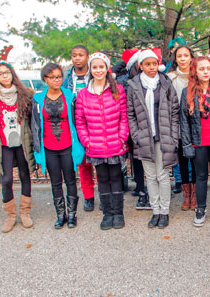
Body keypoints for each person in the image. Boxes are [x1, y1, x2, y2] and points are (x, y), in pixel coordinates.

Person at [75, 52, 129, 230]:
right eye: (95, 67)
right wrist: (87, 141)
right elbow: (80, 121)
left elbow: (123, 117)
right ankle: (107, 213)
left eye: (101, 66)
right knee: (103, 179)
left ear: (107, 68)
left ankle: (118, 212)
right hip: (95, 146)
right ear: (90, 69)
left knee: (116, 177)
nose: (98, 70)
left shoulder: (117, 90)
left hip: (115, 143)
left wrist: (122, 137)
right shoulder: (83, 94)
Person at [127, 49, 180, 229]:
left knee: (163, 175)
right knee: (150, 177)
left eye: (154, 64)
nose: (151, 67)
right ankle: (155, 210)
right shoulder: (134, 86)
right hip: (144, 138)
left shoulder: (166, 84)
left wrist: (173, 136)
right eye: (147, 64)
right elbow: (131, 113)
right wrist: (136, 134)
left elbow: (174, 112)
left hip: (163, 137)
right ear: (140, 66)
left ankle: (164, 211)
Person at [0, 62, 37, 233]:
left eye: (7, 72)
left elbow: (31, 119)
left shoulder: (25, 94)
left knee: (24, 175)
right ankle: (10, 215)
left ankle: (25, 212)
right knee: (6, 179)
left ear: (12, 74)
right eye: (0, 74)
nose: (4, 76)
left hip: (22, 141)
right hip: (3, 143)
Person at [32, 63, 85, 229]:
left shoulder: (69, 96)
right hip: (48, 146)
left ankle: (72, 215)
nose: (57, 80)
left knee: (70, 180)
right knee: (55, 182)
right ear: (45, 79)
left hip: (68, 145)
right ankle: (60, 214)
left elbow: (77, 120)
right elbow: (34, 124)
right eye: (52, 77)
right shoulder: (38, 99)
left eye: (59, 77)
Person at [180, 56, 210, 227]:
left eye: (208, 68)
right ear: (195, 72)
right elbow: (184, 121)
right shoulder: (188, 92)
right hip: (198, 141)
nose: (205, 72)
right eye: (201, 69)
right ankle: (200, 209)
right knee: (199, 176)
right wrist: (187, 144)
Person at [61, 45, 96, 212]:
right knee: (83, 162)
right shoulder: (67, 77)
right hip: (76, 123)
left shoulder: (95, 73)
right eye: (74, 55)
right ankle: (88, 196)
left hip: (96, 121)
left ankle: (105, 194)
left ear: (87, 57)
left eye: (81, 55)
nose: (77, 58)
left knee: (103, 162)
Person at [119, 48, 150, 210]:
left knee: (150, 160)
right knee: (136, 160)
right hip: (132, 127)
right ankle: (140, 188)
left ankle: (150, 190)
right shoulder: (124, 82)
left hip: (149, 127)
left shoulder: (152, 79)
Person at [167, 45, 197, 210]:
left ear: (191, 57)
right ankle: (186, 195)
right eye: (180, 56)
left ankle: (195, 193)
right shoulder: (170, 78)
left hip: (195, 124)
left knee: (196, 161)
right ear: (176, 59)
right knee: (183, 160)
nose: (183, 59)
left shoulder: (196, 76)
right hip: (177, 125)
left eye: (186, 55)